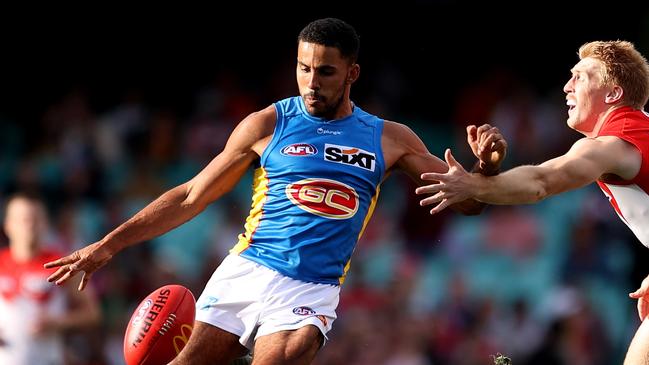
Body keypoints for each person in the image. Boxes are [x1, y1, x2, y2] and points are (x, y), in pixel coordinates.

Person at [44, 18, 507, 365]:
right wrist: (109, 245)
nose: (311, 82)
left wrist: (482, 169)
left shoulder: (389, 138)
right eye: (303, 68)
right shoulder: (269, 123)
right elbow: (191, 196)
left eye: (325, 71)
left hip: (312, 286)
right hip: (246, 270)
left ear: (353, 73)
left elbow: (466, 202)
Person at [415, 40, 649, 365]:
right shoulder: (639, 132)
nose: (567, 87)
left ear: (612, 95)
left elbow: (541, 183)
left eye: (580, 78)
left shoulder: (610, 144)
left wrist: (472, 184)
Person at [0, 193, 101, 365]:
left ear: (45, 224)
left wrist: (57, 322)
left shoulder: (60, 263)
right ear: (8, 225)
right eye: (23, 219)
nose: (29, 225)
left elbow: (93, 314)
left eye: (35, 219)